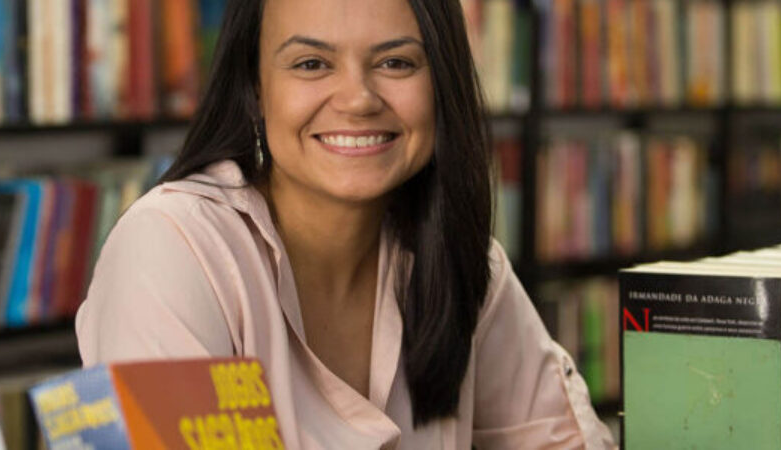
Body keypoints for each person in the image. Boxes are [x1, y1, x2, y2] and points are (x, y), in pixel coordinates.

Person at [75, 0, 616, 447]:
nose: (358, 99)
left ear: (441, 86)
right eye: (311, 64)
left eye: (397, 63)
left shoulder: (461, 260)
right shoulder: (173, 247)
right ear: (256, 90)